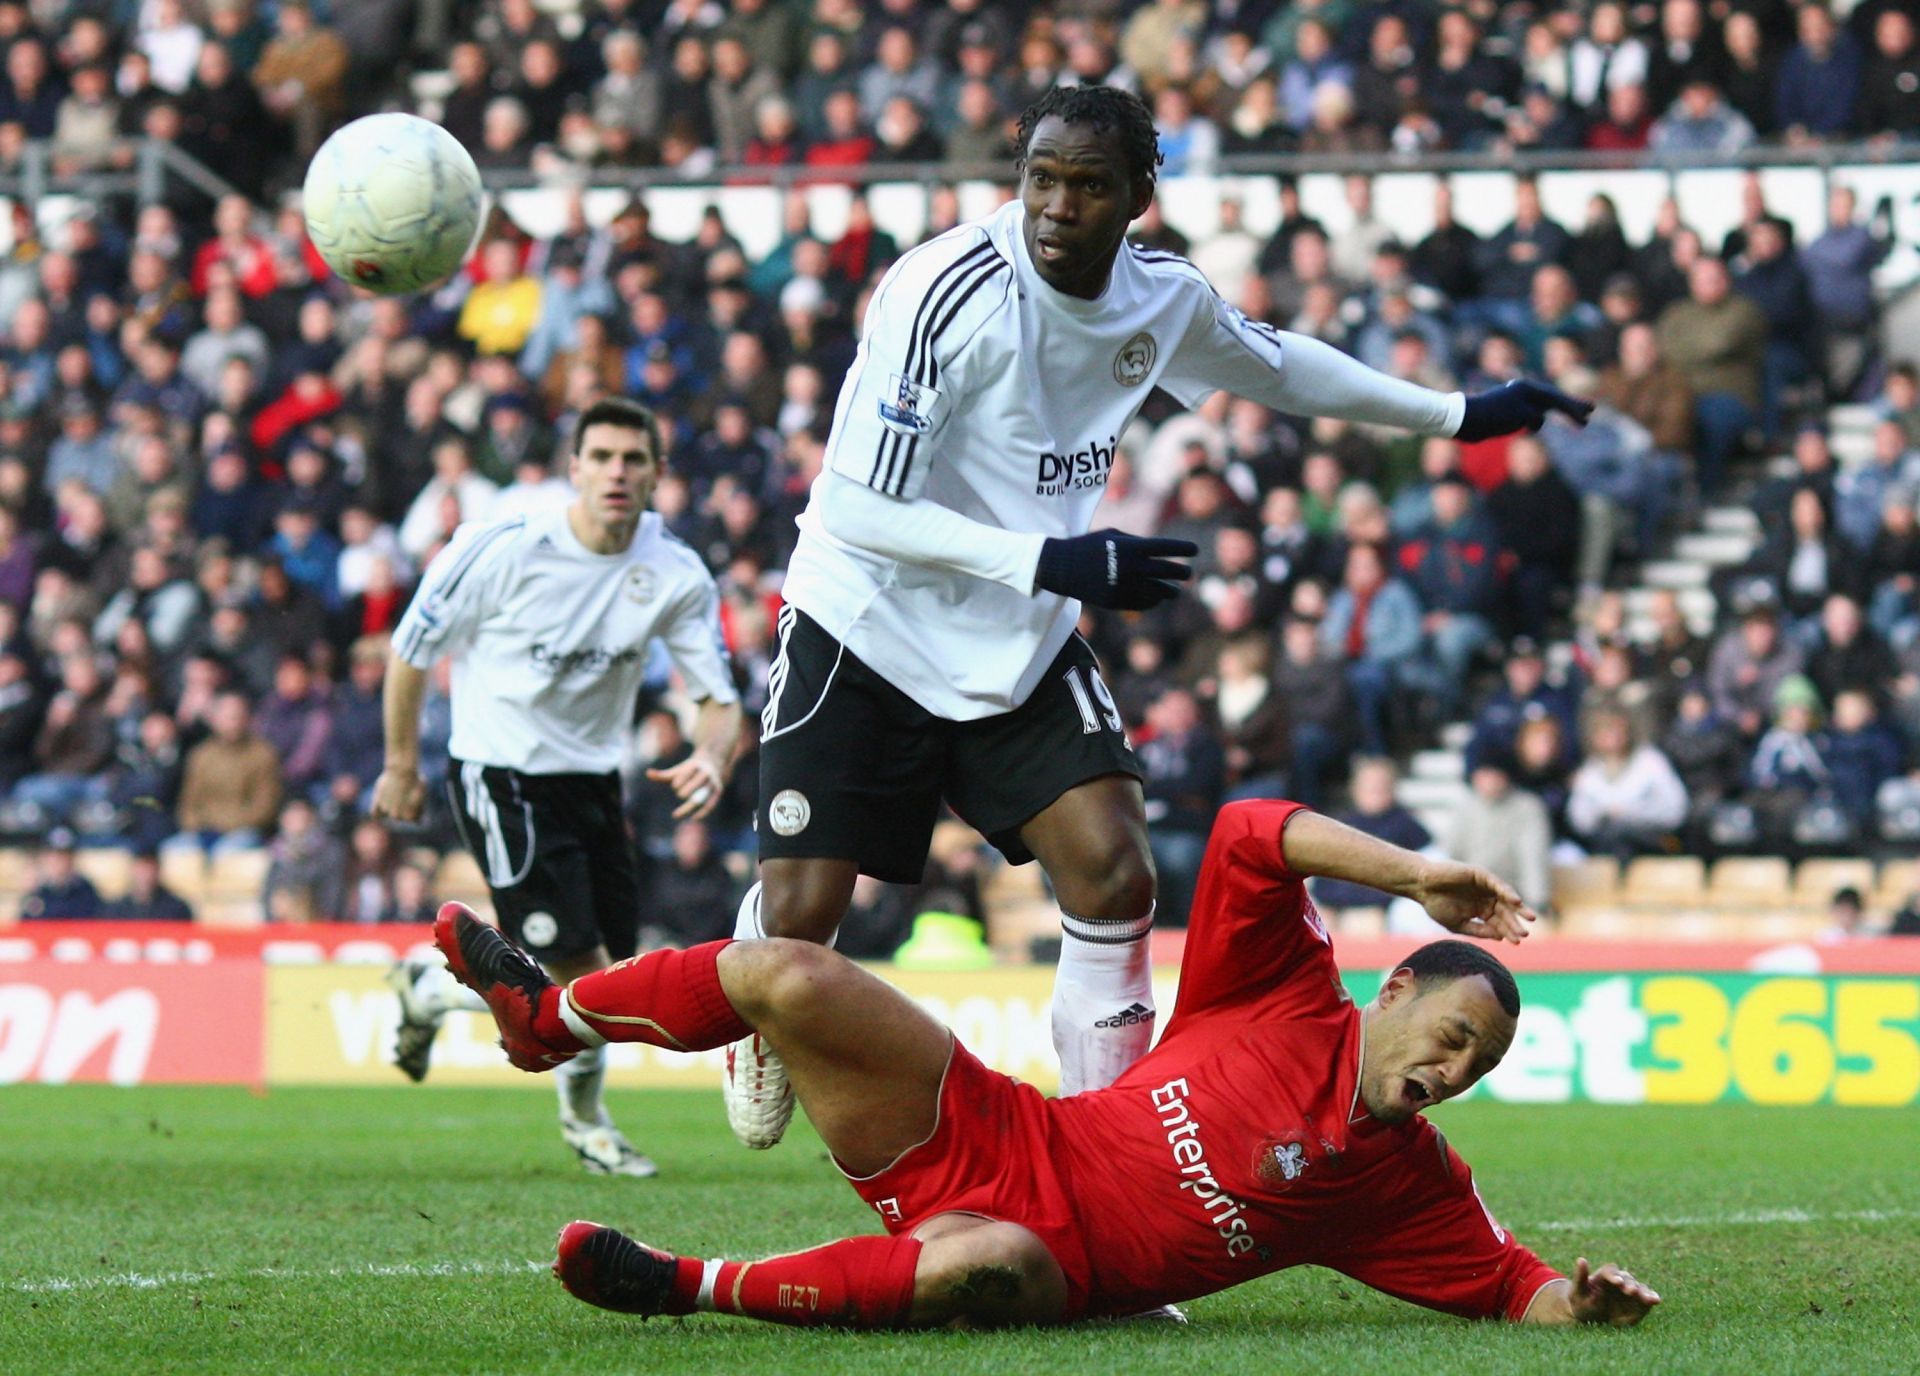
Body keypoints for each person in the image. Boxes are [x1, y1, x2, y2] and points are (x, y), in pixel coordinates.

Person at [730, 85, 1594, 1153]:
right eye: (1040, 177)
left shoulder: (1161, 298)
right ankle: (760, 1003)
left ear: (1142, 194)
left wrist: (1455, 414)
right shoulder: (943, 291)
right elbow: (856, 507)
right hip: (869, 619)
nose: (1055, 205)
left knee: (1115, 868)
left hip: (1017, 630)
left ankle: (1118, 1160)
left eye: (1088, 186)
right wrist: (1052, 555)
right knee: (804, 918)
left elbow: (1278, 366)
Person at [434, 799, 1662, 1331]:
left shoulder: (1407, 1184)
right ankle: (550, 1022)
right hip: (1001, 1132)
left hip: (1055, 1265)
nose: (1455, 1069)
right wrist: (1411, 870)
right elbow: (1247, 835)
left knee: (995, 1260)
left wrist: (1583, 1305)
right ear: (1392, 988)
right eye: (1453, 1034)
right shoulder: (1286, 992)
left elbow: (1514, 1287)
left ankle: (684, 1282)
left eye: (1480, 1064)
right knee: (788, 968)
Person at [371, 397, 745, 1178]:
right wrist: (401, 765)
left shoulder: (674, 571)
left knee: (600, 976)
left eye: (633, 459)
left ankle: (430, 992)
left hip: (591, 781)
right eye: (601, 456)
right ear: (573, 468)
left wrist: (714, 753)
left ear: (656, 474)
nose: (616, 472)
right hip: (498, 773)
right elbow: (409, 650)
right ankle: (586, 1124)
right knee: (580, 977)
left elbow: (718, 699)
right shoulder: (502, 546)